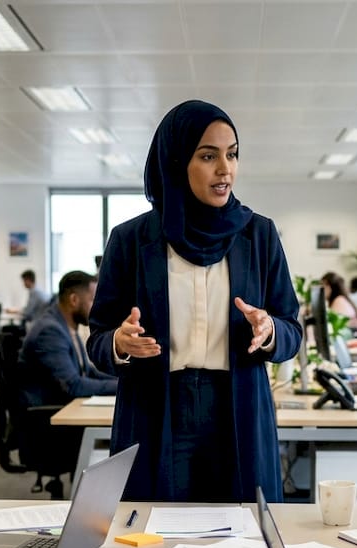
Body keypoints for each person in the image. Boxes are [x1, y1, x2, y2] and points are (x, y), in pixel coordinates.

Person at [86, 99, 302, 503]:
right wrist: (119, 341)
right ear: (176, 161)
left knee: (244, 534)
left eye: (232, 154)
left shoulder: (259, 235)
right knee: (149, 533)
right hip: (157, 408)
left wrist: (270, 330)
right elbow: (97, 340)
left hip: (237, 406)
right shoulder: (131, 240)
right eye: (208, 156)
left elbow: (292, 330)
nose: (226, 169)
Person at [20, 270, 117, 407]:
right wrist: (122, 387)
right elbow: (73, 385)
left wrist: (125, 382)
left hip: (64, 408)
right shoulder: (50, 331)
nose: (99, 308)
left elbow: (88, 372)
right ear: (74, 300)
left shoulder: (66, 326)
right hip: (46, 417)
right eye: (93, 300)